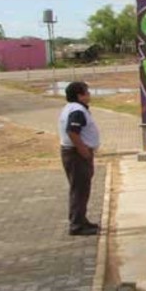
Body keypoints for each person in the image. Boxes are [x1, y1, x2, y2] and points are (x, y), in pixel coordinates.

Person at [59, 81, 100, 236]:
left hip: (75, 153)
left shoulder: (72, 108)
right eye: (87, 92)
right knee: (79, 190)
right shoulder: (77, 111)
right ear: (79, 95)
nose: (89, 95)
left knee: (81, 189)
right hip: (76, 154)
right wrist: (83, 151)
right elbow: (72, 132)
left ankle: (82, 220)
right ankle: (77, 225)